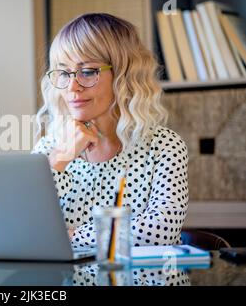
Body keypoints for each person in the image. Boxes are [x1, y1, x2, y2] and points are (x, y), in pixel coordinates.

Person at [32, 13, 188, 248]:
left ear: (123, 76)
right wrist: (59, 159)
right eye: (64, 73)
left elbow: (161, 231)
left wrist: (74, 236)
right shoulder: (49, 148)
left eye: (87, 72)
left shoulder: (164, 146)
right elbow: (21, 225)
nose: (72, 86)